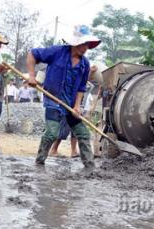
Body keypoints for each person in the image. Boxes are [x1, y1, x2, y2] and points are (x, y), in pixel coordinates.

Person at [26, 25, 101, 168]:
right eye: (82, 44)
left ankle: (90, 167)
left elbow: (81, 87)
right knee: (52, 132)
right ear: (74, 42)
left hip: (71, 105)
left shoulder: (85, 64)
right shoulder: (57, 52)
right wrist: (31, 76)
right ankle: (40, 161)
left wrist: (77, 106)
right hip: (53, 100)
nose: (85, 48)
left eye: (87, 44)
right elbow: (32, 54)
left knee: (83, 134)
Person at [49, 66, 97, 158]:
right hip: (67, 108)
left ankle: (74, 151)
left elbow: (83, 81)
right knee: (63, 130)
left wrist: (90, 72)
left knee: (74, 131)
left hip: (76, 109)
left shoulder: (81, 82)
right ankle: (53, 150)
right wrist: (89, 72)